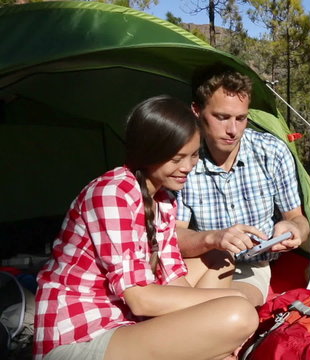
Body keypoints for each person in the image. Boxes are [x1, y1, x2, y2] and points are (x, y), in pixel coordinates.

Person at [34, 96, 258, 360]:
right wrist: (229, 304)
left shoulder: (162, 200)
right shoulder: (112, 193)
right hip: (80, 338)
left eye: (194, 155)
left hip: (126, 324)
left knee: (221, 260)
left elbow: (175, 280)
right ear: (149, 153)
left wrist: (212, 331)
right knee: (239, 314)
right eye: (176, 158)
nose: (187, 167)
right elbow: (140, 299)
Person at [175, 67, 310, 307]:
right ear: (197, 111)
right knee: (170, 308)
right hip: (202, 258)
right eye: (221, 117)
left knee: (229, 309)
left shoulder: (272, 152)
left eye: (241, 118)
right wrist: (214, 239)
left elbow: (297, 219)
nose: (233, 130)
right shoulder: (183, 161)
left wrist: (292, 229)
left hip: (252, 265)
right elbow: (175, 235)